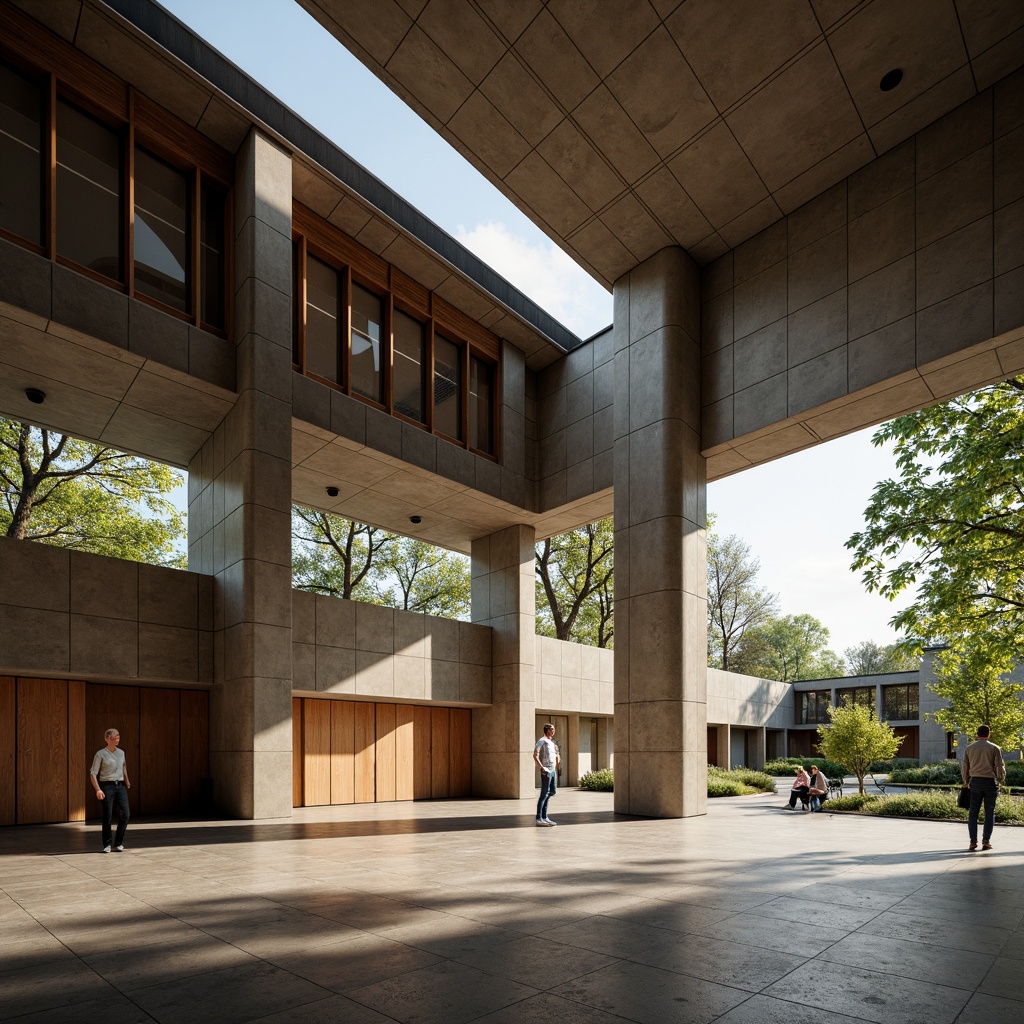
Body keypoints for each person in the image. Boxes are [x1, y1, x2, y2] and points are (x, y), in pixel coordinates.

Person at [962, 724, 1005, 852]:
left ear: (977, 734)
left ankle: (972, 842)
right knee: (989, 812)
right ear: (989, 734)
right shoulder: (994, 748)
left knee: (973, 812)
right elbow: (999, 767)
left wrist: (966, 782)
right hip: (990, 783)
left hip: (975, 782)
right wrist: (1001, 780)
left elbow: (965, 768)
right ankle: (986, 841)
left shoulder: (969, 748)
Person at [89, 728, 131, 853]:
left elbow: (124, 767)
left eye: (118, 736)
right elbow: (93, 773)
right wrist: (98, 790)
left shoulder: (121, 753)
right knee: (108, 815)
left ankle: (118, 842)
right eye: (114, 737)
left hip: (120, 785)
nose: (117, 739)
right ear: (107, 739)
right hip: (107, 785)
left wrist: (127, 781)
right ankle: (107, 844)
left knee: (126, 814)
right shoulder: (100, 754)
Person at [533, 723, 560, 826]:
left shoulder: (552, 743)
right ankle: (539, 818)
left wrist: (558, 762)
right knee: (544, 794)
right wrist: (541, 768)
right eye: (552, 729)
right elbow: (535, 754)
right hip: (546, 771)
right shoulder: (542, 741)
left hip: (553, 771)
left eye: (553, 729)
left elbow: (557, 755)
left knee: (552, 792)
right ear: (547, 730)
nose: (553, 730)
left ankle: (545, 817)